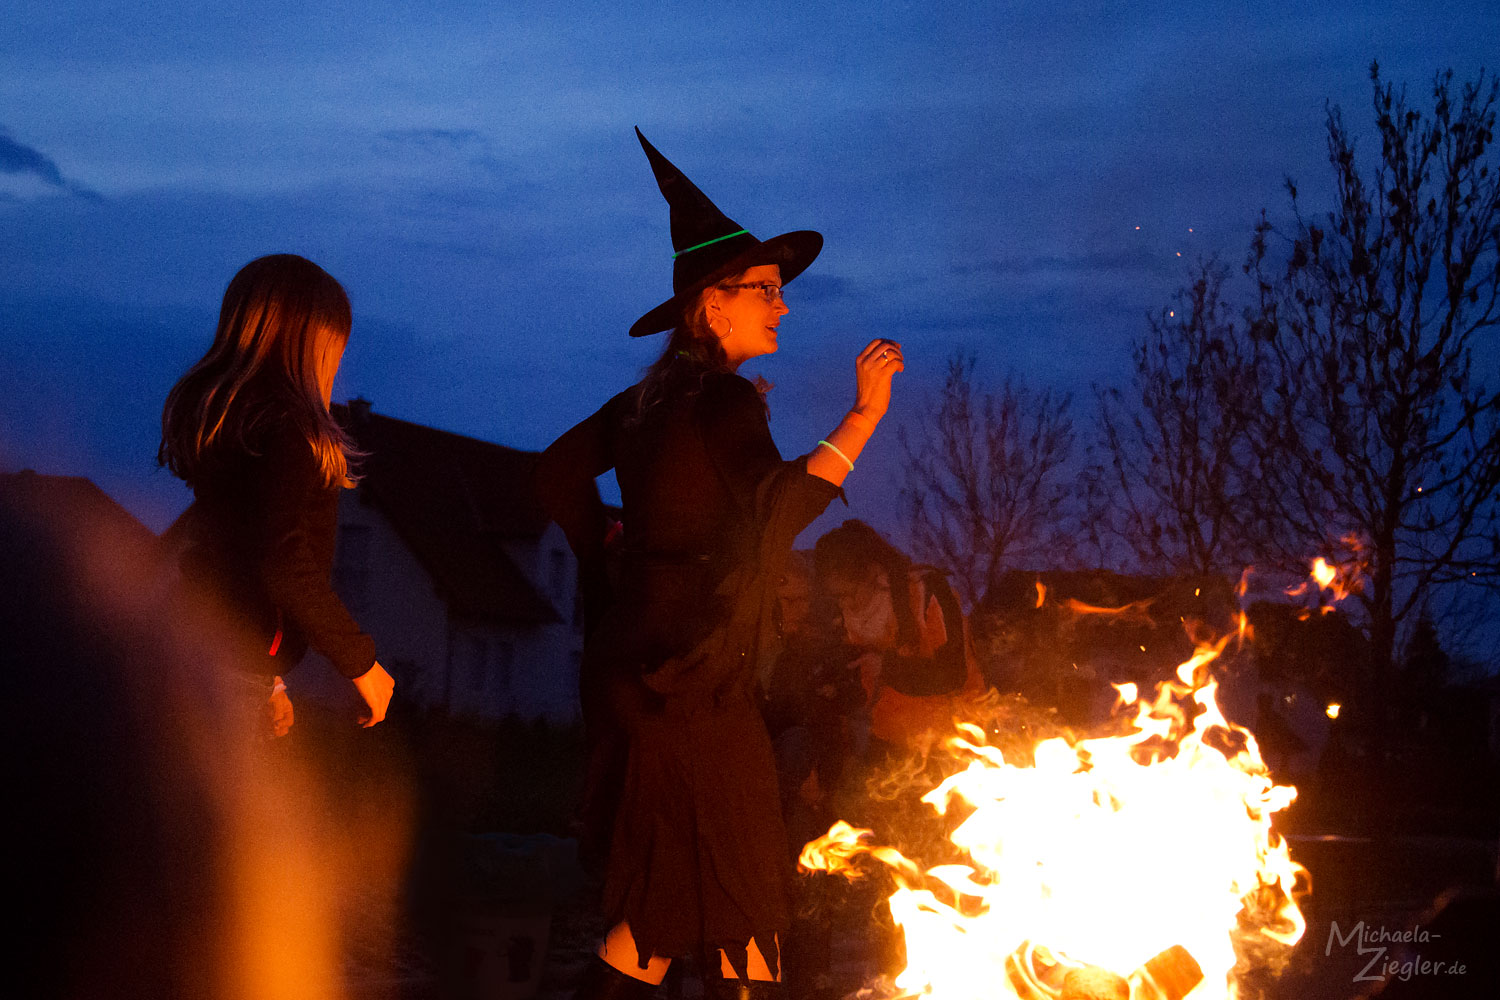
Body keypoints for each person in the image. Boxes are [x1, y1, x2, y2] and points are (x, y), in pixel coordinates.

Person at [537, 129, 903, 1000]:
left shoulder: (648, 400)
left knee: (661, 917)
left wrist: (613, 556)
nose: (783, 307)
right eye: (767, 290)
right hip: (695, 686)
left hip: (645, 677)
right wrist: (863, 416)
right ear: (714, 306)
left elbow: (553, 473)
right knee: (737, 900)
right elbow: (779, 508)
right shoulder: (723, 399)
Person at [160, 253, 394, 736]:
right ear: (310, 343)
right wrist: (361, 664)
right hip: (231, 669)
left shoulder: (236, 424)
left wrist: (271, 683)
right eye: (336, 346)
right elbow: (280, 557)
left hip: (207, 650)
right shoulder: (290, 432)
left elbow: (230, 552)